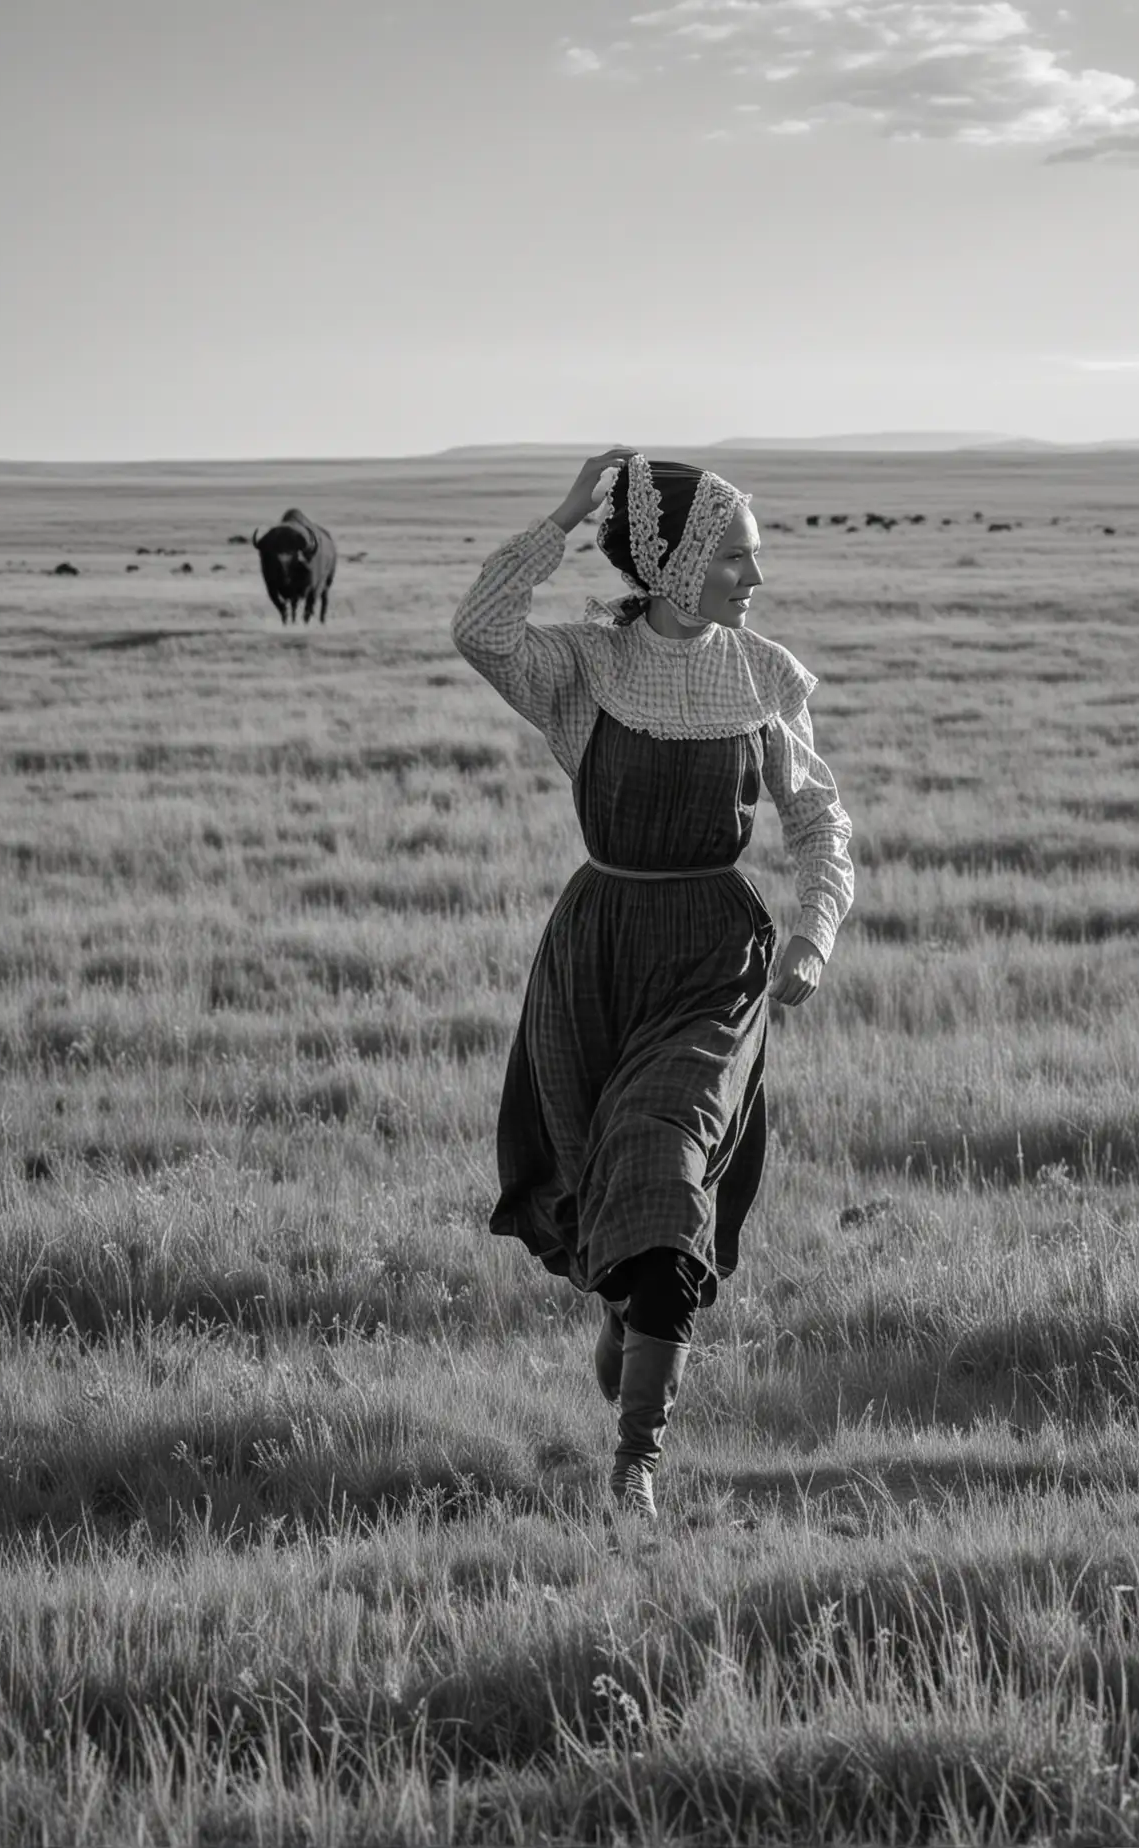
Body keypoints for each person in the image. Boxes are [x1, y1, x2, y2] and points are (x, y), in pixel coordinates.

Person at [452, 448, 854, 1517]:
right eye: (735, 557)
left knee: (668, 1169)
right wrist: (567, 517)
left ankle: (636, 1465)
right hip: (598, 955)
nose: (754, 581)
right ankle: (630, 1312)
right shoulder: (584, 668)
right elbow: (481, 630)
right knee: (615, 1208)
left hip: (715, 959)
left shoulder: (762, 674)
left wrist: (811, 935)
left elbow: (817, 823)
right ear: (674, 564)